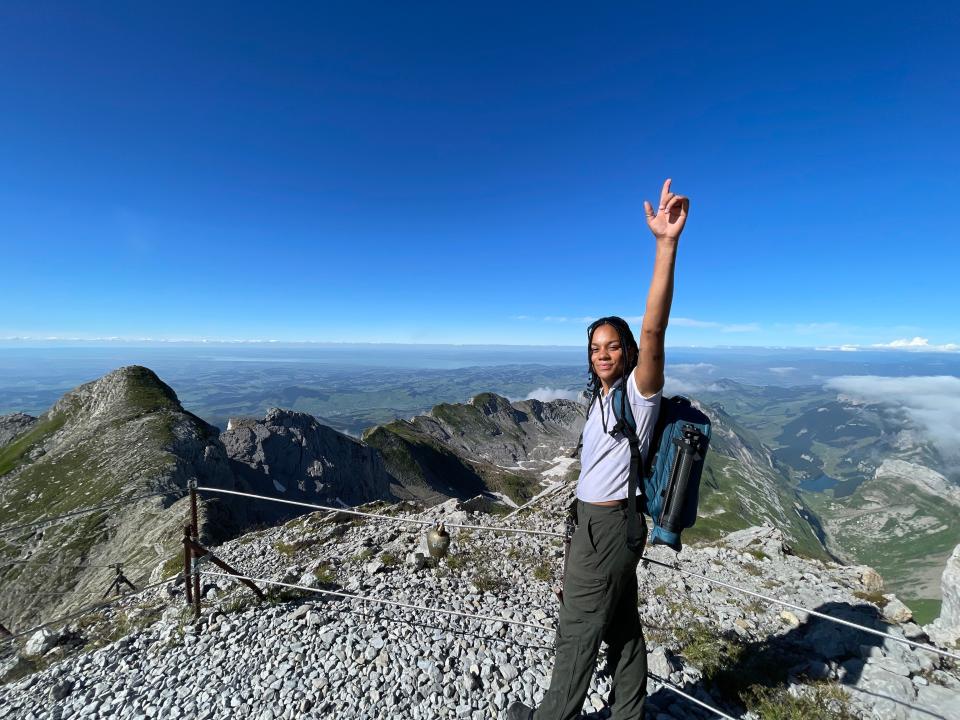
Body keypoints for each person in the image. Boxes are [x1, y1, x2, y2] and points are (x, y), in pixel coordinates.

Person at [507, 179, 688, 720]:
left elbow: (655, 329)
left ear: (629, 351)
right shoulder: (603, 396)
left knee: (578, 630)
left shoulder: (639, 391)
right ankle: (629, 712)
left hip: (608, 526)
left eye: (613, 346)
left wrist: (665, 246)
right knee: (622, 627)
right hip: (601, 523)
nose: (603, 354)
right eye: (595, 348)